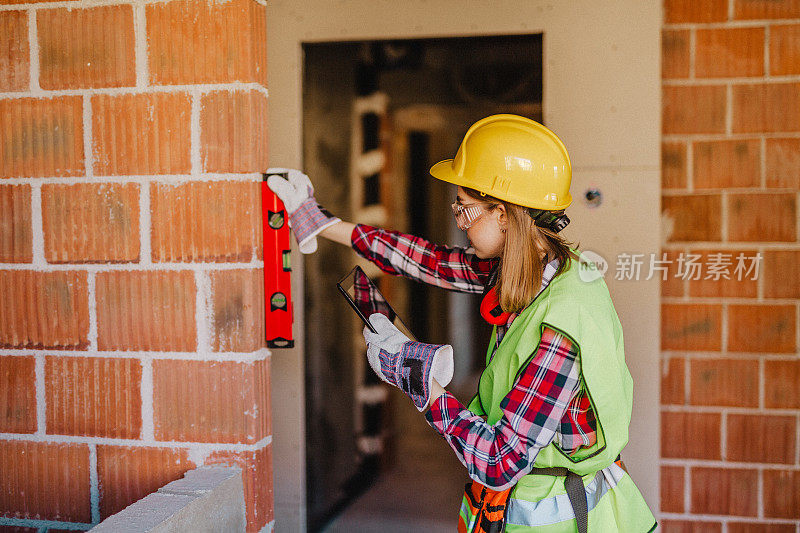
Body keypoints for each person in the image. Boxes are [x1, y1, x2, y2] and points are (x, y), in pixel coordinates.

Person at [267, 114, 656, 532]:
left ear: (504, 214)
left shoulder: (563, 325)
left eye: (466, 208)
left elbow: (498, 461)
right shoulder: (541, 268)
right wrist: (321, 222)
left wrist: (420, 380)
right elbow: (429, 261)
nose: (458, 219)